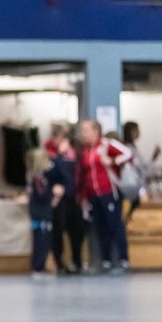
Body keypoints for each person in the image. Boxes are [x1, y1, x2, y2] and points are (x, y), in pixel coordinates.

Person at [77, 119, 133, 274]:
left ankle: (123, 260)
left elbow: (128, 153)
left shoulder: (107, 145)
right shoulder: (87, 151)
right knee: (101, 228)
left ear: (96, 131)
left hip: (110, 193)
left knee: (115, 225)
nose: (83, 134)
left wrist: (113, 160)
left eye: (86, 130)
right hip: (94, 195)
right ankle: (106, 260)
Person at [48, 128, 84, 275]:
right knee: (58, 232)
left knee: (77, 233)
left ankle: (77, 262)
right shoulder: (55, 160)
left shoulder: (77, 158)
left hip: (75, 200)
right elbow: (50, 178)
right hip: (61, 202)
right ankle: (59, 263)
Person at [25, 149, 64, 279]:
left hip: (41, 212)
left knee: (43, 240)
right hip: (40, 214)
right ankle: (38, 267)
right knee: (41, 241)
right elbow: (42, 196)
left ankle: (39, 267)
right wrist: (53, 192)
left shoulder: (40, 177)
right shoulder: (37, 178)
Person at [119, 121, 158, 221]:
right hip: (133, 187)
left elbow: (142, 168)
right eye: (137, 130)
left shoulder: (133, 148)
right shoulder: (128, 149)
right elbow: (139, 170)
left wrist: (153, 158)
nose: (139, 132)